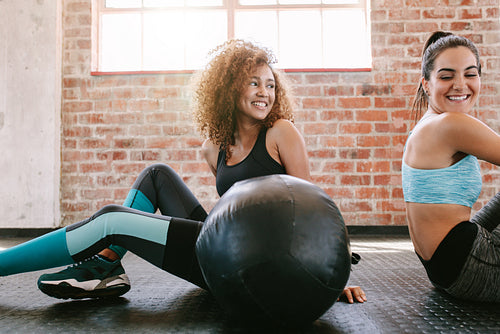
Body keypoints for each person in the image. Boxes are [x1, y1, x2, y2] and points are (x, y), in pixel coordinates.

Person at [0, 39, 366, 304]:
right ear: (229, 88)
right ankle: (106, 267)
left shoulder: (281, 132)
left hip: (258, 268)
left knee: (112, 220)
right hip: (229, 251)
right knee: (157, 175)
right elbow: (228, 212)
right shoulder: (214, 146)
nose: (264, 92)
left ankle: (26, 265)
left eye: (270, 85)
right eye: (254, 82)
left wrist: (331, 277)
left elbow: (314, 212)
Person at [402, 31, 500, 302]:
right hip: (470, 266)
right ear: (426, 83)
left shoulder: (426, 124)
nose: (460, 85)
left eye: (470, 74)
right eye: (446, 76)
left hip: (444, 268)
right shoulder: (450, 125)